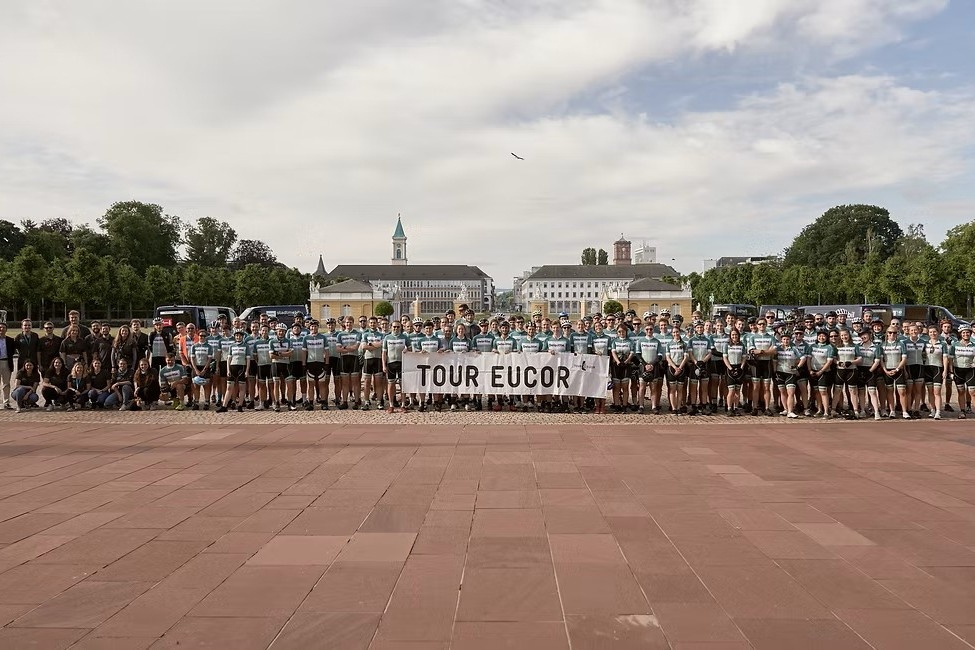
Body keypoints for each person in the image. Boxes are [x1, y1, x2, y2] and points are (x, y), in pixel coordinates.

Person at [217, 329, 250, 413]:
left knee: (241, 388)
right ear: (234, 336)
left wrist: (247, 370)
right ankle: (224, 406)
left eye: (240, 335)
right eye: (236, 335)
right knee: (229, 388)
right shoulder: (232, 346)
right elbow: (229, 358)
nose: (238, 337)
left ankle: (240, 405)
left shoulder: (246, 346)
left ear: (242, 337)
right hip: (232, 367)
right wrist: (228, 369)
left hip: (241, 367)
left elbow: (248, 359)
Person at [880, 327, 909, 419]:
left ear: (897, 334)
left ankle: (904, 411)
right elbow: (881, 360)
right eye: (890, 332)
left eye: (894, 333)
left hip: (898, 370)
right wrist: (885, 370)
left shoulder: (901, 344)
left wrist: (897, 369)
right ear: (887, 333)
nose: (892, 334)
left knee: (902, 391)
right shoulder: (882, 345)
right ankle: (892, 411)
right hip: (887, 370)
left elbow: (904, 359)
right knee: (889, 391)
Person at [949, 325, 975, 420]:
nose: (966, 334)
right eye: (963, 332)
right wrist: (951, 372)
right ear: (960, 334)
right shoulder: (954, 344)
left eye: (967, 332)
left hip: (970, 370)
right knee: (961, 391)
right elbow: (950, 359)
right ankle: (962, 411)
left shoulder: (973, 345)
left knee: (972, 391)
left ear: (970, 333)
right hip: (958, 370)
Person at [923, 325, 949, 420]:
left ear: (938, 332)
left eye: (934, 332)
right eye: (930, 332)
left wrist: (945, 370)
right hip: (927, 368)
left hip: (938, 368)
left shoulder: (943, 344)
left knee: (937, 392)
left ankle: (938, 411)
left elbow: (945, 358)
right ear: (928, 333)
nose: (933, 334)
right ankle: (932, 409)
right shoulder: (925, 343)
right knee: (930, 391)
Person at [303, 320, 329, 411]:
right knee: (311, 385)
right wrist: (304, 364)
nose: (314, 328)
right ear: (309, 328)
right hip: (310, 363)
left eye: (315, 326)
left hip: (320, 363)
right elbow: (304, 352)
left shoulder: (323, 337)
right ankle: (310, 402)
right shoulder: (306, 338)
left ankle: (324, 402)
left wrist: (326, 363)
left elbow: (326, 351)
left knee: (322, 384)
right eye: (312, 327)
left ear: (318, 327)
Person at [0, 322, 13, 409]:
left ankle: (6, 402)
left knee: (6, 384)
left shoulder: (10, 340)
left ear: (6, 329)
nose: (1, 329)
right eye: (0, 327)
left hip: (6, 362)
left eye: (3, 327)